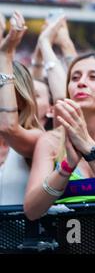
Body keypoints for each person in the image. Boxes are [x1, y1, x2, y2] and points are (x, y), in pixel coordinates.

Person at [24, 53, 95, 220]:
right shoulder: (50, 141)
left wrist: (88, 147)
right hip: (68, 243)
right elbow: (32, 210)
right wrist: (66, 167)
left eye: (93, 77)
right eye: (75, 77)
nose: (81, 82)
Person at [0, 11, 44, 205]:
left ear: (20, 99)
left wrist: (5, 56)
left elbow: (8, 128)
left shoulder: (37, 139)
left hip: (19, 236)